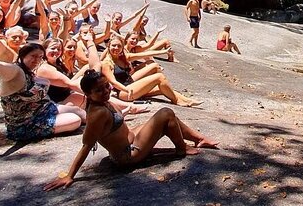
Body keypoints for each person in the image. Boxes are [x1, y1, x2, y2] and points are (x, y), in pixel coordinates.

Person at [43, 70, 218, 191]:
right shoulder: (97, 113)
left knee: (166, 118)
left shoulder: (102, 102)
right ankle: (182, 149)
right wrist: (69, 175)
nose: (105, 91)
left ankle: (198, 139)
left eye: (106, 86)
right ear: (88, 94)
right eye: (99, 90)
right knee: (166, 113)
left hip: (131, 139)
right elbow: (86, 145)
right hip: (128, 155)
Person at [0, 43, 86, 141]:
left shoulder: (30, 71)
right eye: (33, 56)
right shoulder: (16, 71)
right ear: (23, 56)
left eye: (40, 57)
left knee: (78, 111)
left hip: (42, 110)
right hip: (25, 125)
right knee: (74, 120)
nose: (37, 60)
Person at [100, 36, 201, 106]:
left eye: (119, 46)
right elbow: (113, 82)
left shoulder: (123, 57)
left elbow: (145, 54)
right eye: (113, 46)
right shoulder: (106, 63)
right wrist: (127, 90)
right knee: (159, 77)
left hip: (131, 85)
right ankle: (177, 101)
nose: (116, 48)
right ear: (108, 47)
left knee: (163, 88)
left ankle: (187, 100)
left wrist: (164, 51)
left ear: (122, 48)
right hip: (124, 92)